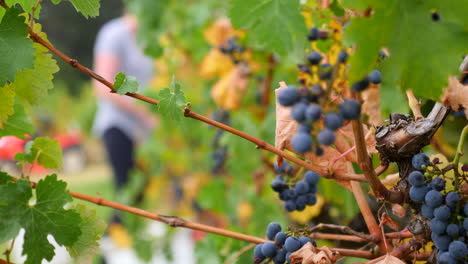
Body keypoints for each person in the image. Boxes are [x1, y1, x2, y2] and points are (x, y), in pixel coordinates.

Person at [92, 11, 156, 243]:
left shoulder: (155, 35)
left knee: (140, 196)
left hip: (148, 132)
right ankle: (109, 250)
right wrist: (144, 113)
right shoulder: (114, 33)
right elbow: (103, 85)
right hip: (118, 125)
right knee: (126, 192)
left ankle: (126, 249)